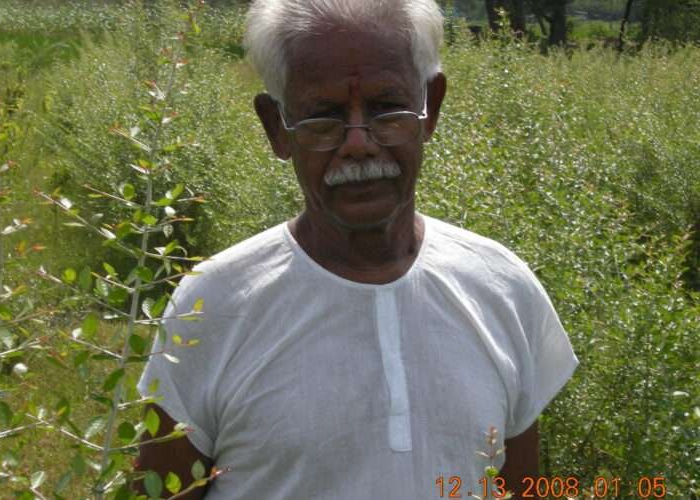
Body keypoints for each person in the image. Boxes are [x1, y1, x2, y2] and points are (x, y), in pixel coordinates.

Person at [135, 0, 579, 498]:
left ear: (430, 107)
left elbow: (524, 488)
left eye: (387, 108)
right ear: (277, 128)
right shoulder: (214, 305)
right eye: (323, 117)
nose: (359, 143)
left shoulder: (502, 288)